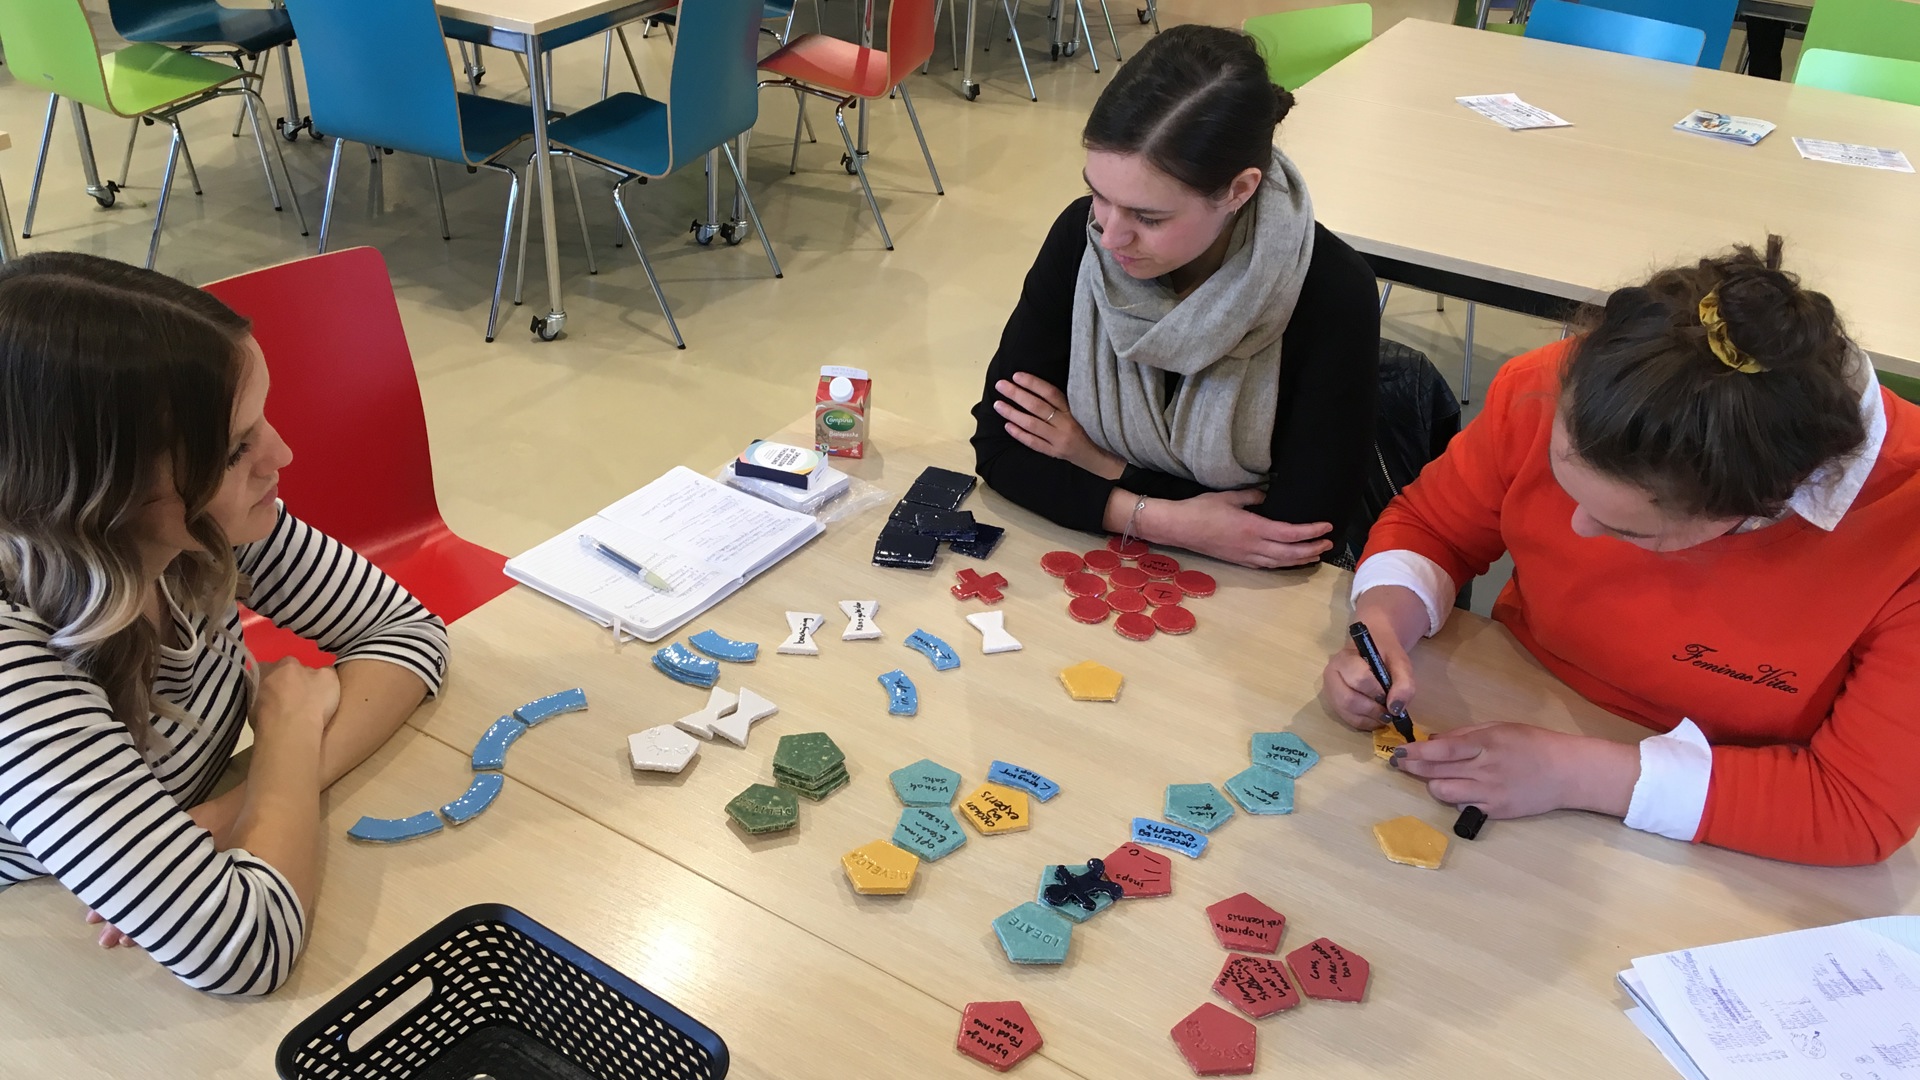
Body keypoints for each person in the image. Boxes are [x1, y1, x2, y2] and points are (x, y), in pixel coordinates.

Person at [1321, 237, 1920, 867]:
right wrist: (1386, 619)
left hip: (1722, 818)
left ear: (1760, 510)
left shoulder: (1899, 528)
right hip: (1522, 703)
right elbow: (1431, 525)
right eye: (1561, 478)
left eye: (1632, 531)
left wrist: (1574, 772)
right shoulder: (1558, 385)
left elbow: (1854, 806)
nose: (1576, 529)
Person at [0, 253, 450, 993]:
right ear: (104, 491)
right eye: (236, 447)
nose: (282, 454)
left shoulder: (200, 523)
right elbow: (247, 951)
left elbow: (407, 633)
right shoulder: (22, 668)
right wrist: (289, 729)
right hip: (57, 954)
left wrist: (232, 811)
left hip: (172, 861)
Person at [970, 24, 1380, 570]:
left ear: (1239, 190)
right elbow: (1000, 448)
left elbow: (1294, 532)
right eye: (1098, 192)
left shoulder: (1328, 290)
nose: (1110, 235)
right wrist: (1167, 520)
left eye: (1149, 217)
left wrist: (1098, 463)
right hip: (1119, 561)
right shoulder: (1081, 238)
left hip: (1247, 604)